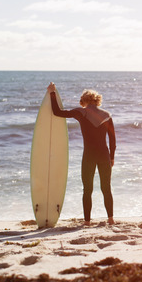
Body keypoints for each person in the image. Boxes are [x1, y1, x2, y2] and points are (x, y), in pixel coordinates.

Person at [47, 82, 116, 226]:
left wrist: (52, 93)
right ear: (97, 100)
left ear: (84, 100)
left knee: (87, 189)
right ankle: (110, 219)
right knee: (106, 188)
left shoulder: (80, 112)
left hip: (89, 155)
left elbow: (57, 112)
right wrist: (112, 157)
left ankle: (87, 221)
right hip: (104, 154)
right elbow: (112, 139)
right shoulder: (107, 115)